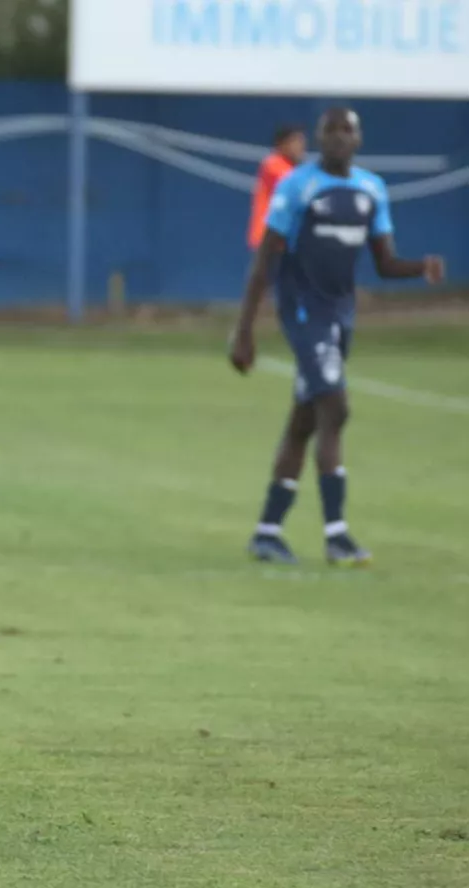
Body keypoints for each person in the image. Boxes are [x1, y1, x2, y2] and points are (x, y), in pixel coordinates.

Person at [229, 107, 444, 566]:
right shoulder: (297, 187)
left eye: (347, 131)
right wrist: (244, 331)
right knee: (336, 405)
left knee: (305, 419)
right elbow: (264, 260)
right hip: (303, 310)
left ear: (359, 139)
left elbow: (384, 263)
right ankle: (337, 535)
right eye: (331, 131)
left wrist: (418, 267)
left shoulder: (371, 190)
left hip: (340, 314)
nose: (339, 138)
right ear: (319, 139)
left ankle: (267, 532)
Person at [247, 124, 306, 252]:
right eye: (296, 141)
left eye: (302, 141)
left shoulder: (296, 169)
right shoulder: (272, 164)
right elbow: (297, 184)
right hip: (268, 239)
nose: (301, 146)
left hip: (285, 239)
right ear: (282, 145)